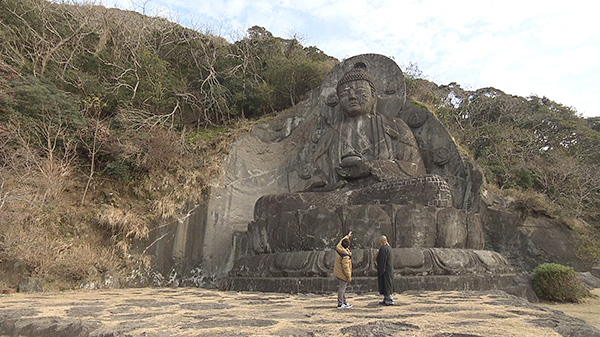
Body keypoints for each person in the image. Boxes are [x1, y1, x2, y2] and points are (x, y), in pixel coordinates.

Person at [333, 231, 353, 309]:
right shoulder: (345, 255)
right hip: (342, 273)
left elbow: (341, 242)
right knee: (342, 288)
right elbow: (346, 267)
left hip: (338, 272)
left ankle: (344, 302)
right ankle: (340, 303)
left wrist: (347, 236)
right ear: (348, 246)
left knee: (342, 288)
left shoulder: (339, 248)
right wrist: (349, 276)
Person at [375, 235, 395, 305]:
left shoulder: (383, 249)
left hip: (385, 270)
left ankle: (389, 299)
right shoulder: (389, 248)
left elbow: (381, 260)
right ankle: (386, 299)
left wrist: (381, 269)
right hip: (389, 269)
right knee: (388, 284)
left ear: (381, 241)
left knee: (387, 285)